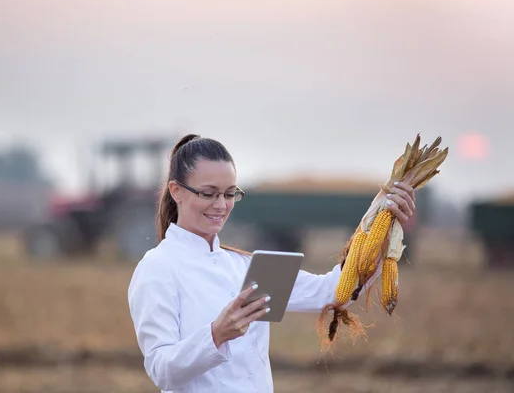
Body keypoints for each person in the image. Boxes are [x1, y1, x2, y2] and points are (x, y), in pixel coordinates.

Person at [127, 134, 416, 392]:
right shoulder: (157, 268)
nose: (221, 204)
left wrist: (383, 218)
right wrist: (215, 335)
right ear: (176, 191)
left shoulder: (246, 266)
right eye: (208, 192)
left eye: (229, 193)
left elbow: (331, 292)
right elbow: (162, 371)